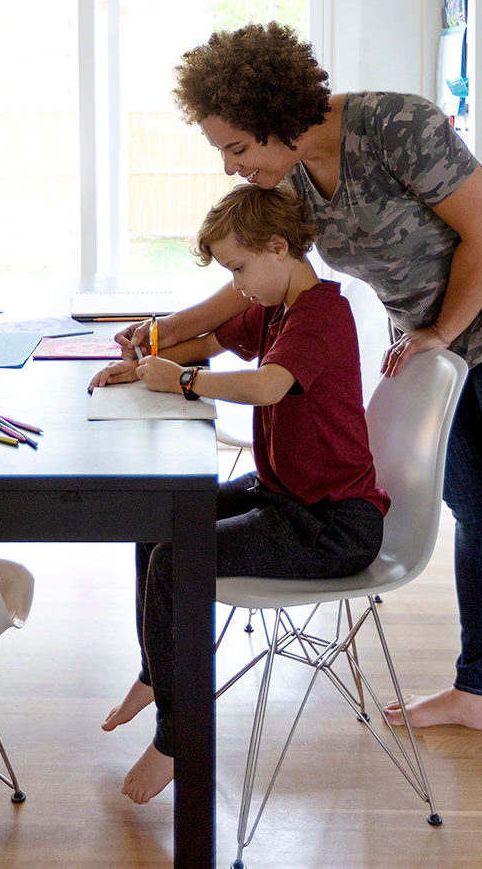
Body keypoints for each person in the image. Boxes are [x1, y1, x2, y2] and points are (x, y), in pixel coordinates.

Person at [120, 22, 482, 745]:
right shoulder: (288, 177)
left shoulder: (397, 126)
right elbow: (253, 282)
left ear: (274, 117)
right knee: (476, 511)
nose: (232, 166)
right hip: (437, 335)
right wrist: (160, 332)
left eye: (235, 148)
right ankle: (480, 690)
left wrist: (440, 333)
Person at [90, 182, 387, 804]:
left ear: (278, 247)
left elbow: (268, 385)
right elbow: (210, 342)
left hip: (332, 524)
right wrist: (144, 363)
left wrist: (184, 382)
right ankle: (156, 672)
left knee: (175, 561)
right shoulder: (275, 306)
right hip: (284, 494)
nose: (237, 285)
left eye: (239, 268)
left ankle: (177, 737)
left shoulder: (320, 314)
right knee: (157, 518)